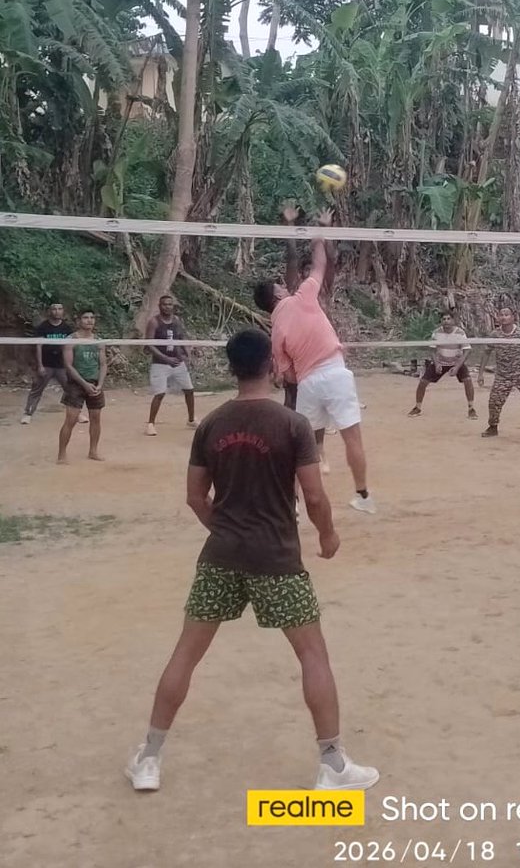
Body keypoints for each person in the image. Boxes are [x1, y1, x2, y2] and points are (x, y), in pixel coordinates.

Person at [125, 329, 378, 794]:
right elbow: (315, 495)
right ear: (274, 366)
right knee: (313, 655)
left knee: (186, 653)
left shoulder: (212, 424)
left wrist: (223, 530)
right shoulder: (292, 425)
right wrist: (328, 535)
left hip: (221, 555)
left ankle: (149, 758)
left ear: (231, 368)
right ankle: (333, 764)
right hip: (277, 558)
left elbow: (195, 497)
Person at [253, 211, 376, 515]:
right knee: (352, 439)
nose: (284, 284)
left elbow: (288, 375)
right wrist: (321, 229)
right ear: (279, 292)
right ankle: (362, 496)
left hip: (307, 382)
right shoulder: (302, 297)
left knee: (302, 449)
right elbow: (320, 263)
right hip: (334, 372)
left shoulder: (275, 329)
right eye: (280, 285)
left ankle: (292, 504)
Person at [282, 201, 335, 473]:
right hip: (296, 352)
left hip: (317, 355)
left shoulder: (319, 288)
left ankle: (320, 450)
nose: (304, 275)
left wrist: (323, 230)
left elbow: (325, 261)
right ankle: (291, 450)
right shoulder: (295, 290)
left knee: (320, 406)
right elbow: (292, 259)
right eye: (301, 273)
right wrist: (290, 224)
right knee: (291, 400)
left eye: (307, 271)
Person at [478, 305, 520, 441]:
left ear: (513, 317)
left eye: (507, 314)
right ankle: (493, 427)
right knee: (494, 402)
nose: (504, 317)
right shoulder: (495, 334)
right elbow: (486, 352)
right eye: (501, 314)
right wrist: (481, 373)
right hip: (502, 375)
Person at [58, 308, 106, 463]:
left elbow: (103, 364)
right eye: (86, 317)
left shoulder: (98, 340)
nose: (89, 320)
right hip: (76, 384)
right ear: (78, 320)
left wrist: (100, 384)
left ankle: (93, 451)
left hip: (94, 384)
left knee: (96, 418)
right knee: (71, 419)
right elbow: (68, 365)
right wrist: (84, 384)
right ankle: (62, 454)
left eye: (92, 317)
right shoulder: (71, 339)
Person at [145, 294, 197, 436]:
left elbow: (181, 337)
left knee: (189, 390)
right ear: (159, 306)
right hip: (160, 364)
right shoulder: (154, 322)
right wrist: (166, 358)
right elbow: (149, 344)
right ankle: (150, 424)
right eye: (164, 304)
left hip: (177, 361)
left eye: (170, 304)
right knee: (160, 393)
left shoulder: (177, 321)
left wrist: (187, 353)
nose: (167, 307)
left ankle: (191, 419)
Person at [409, 313, 477, 419]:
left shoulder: (460, 333)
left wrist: (457, 367)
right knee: (423, 382)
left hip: (456, 362)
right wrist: (436, 364)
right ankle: (417, 407)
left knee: (468, 380)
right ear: (441, 321)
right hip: (441, 362)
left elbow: (467, 351)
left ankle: (471, 409)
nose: (446, 321)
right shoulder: (436, 332)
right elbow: (431, 350)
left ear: (453, 321)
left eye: (448, 318)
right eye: (444, 319)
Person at [21, 302, 74, 425]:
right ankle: (28, 413)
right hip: (46, 364)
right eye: (54, 309)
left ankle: (75, 412)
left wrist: (69, 365)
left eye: (60, 309)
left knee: (70, 389)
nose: (57, 311)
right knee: (37, 389)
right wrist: (40, 365)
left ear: (63, 311)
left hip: (62, 365)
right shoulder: (42, 327)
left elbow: (70, 348)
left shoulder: (67, 328)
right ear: (50, 311)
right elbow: (39, 346)